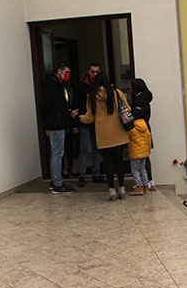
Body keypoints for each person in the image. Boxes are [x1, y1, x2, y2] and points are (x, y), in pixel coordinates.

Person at [79, 73, 131, 200]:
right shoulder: (117, 93)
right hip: (118, 133)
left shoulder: (91, 97)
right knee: (119, 162)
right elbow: (127, 108)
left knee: (108, 164)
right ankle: (122, 190)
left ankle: (111, 191)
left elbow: (90, 118)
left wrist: (80, 117)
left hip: (103, 136)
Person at [41, 63, 78, 193]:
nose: (68, 75)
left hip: (56, 122)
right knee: (58, 153)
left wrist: (68, 113)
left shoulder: (57, 85)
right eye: (66, 72)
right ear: (59, 71)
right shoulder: (53, 86)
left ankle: (55, 180)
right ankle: (57, 183)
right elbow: (48, 105)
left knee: (56, 153)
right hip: (55, 124)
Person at [75, 63, 104, 186]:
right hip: (85, 121)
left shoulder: (101, 87)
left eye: (97, 72)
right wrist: (76, 122)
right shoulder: (81, 87)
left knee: (97, 149)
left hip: (97, 122)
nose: (94, 74)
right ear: (88, 72)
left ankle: (96, 173)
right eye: (93, 72)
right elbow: (76, 105)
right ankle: (82, 175)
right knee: (84, 148)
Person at [131, 77, 156, 191]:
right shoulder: (145, 99)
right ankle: (147, 182)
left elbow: (136, 115)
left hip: (139, 132)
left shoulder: (139, 101)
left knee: (138, 163)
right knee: (145, 158)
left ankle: (141, 184)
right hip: (146, 131)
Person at [127, 116, 152, 195]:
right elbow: (149, 141)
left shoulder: (132, 130)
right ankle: (146, 186)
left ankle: (139, 187)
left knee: (135, 170)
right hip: (144, 153)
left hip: (135, 154)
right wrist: (147, 152)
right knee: (143, 169)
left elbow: (127, 137)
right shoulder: (146, 129)